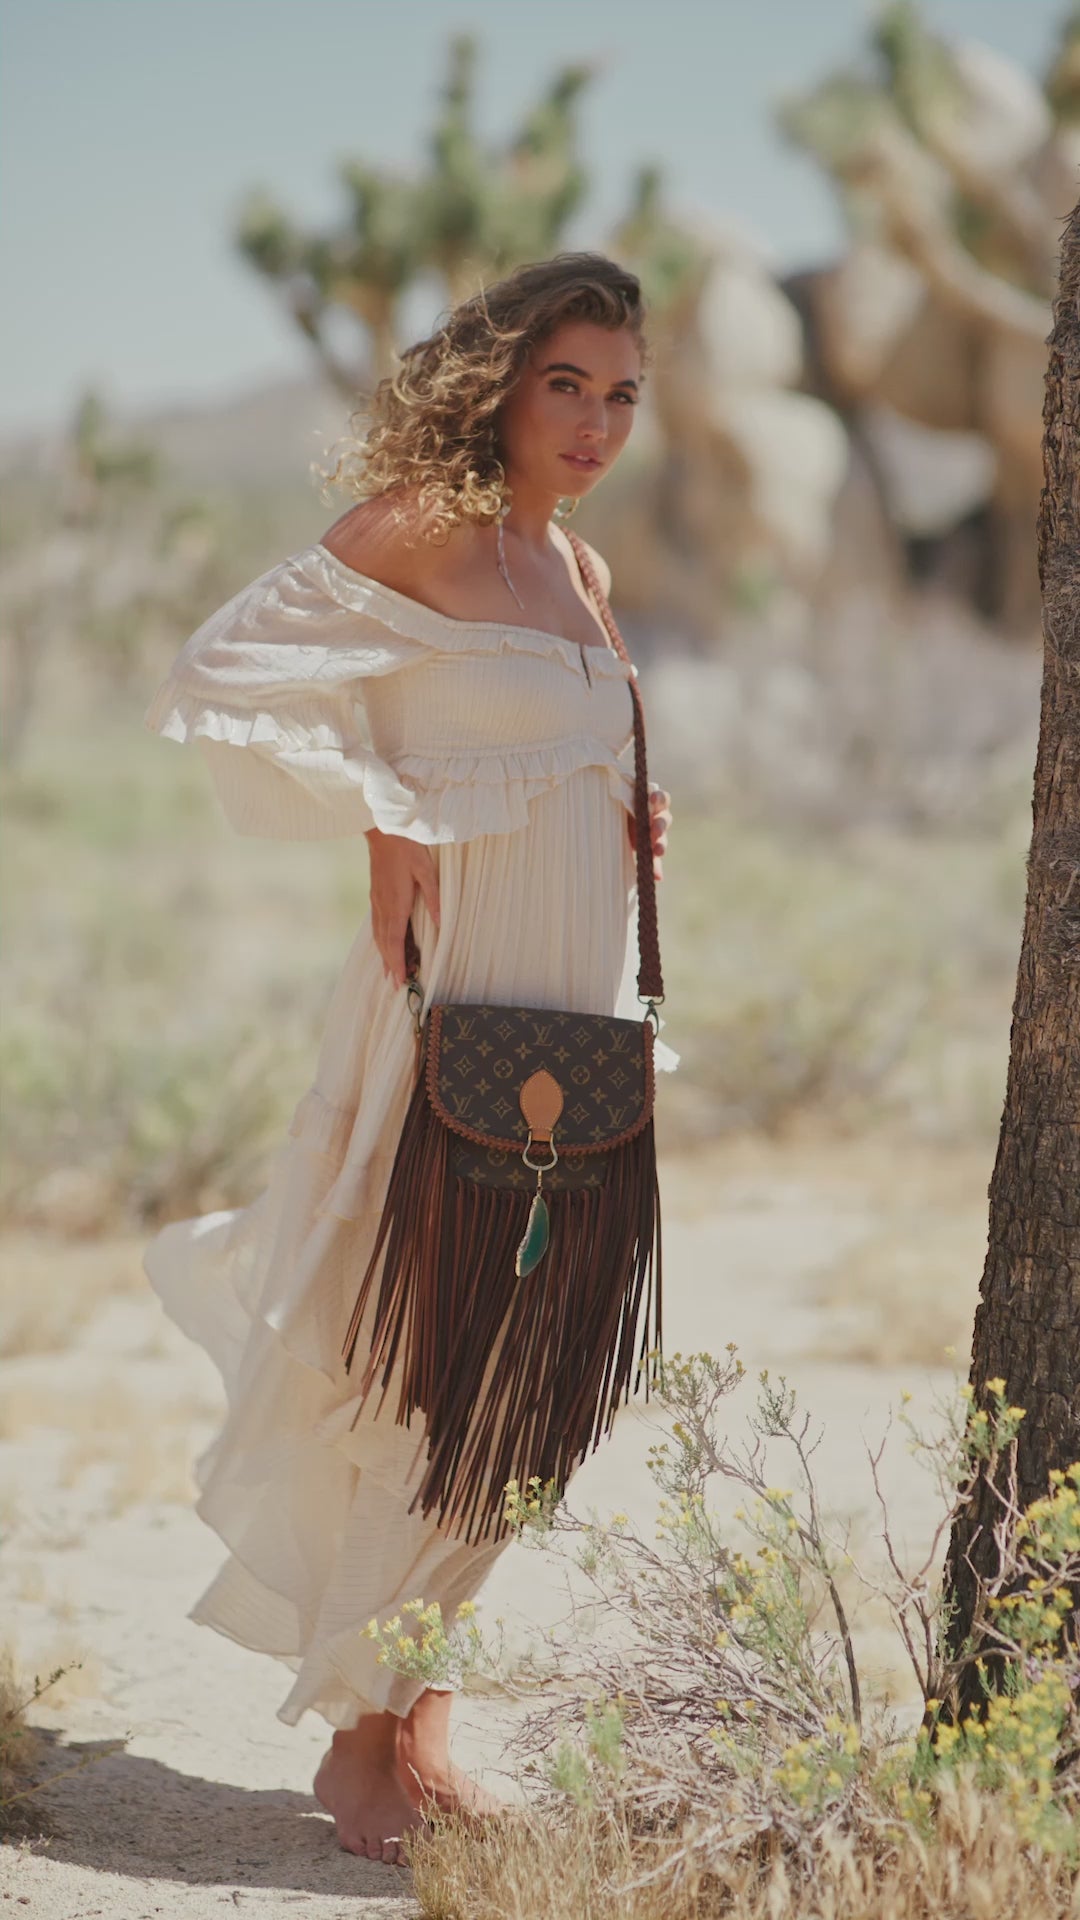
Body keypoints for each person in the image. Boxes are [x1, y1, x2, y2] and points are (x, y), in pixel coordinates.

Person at [141, 251, 674, 1867]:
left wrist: (626, 809)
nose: (595, 424)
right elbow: (224, 670)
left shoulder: (578, 568)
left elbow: (546, 748)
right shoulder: (424, 528)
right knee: (427, 1366)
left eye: (623, 396)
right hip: (450, 1012)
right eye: (567, 385)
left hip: (580, 1020)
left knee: (532, 1390)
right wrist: (380, 813)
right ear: (501, 384)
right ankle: (364, 1746)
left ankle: (426, 1718)